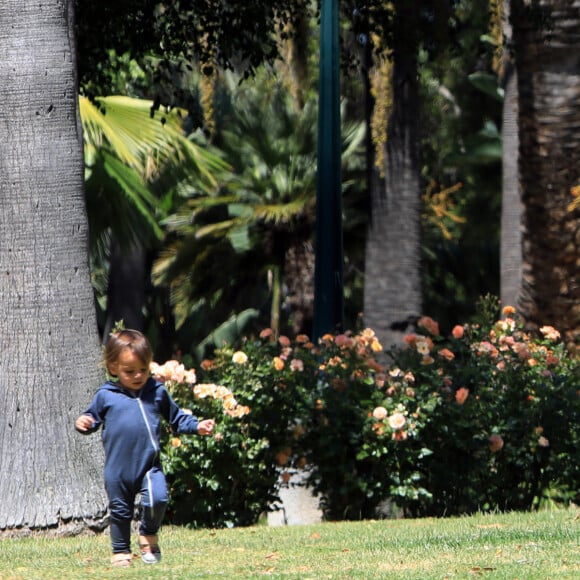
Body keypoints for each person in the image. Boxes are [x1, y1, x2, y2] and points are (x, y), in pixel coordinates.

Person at [75, 329, 215, 567]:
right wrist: (84, 422)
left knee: (158, 498)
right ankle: (120, 551)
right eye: (130, 371)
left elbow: (177, 418)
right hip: (118, 469)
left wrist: (197, 426)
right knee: (120, 512)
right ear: (113, 368)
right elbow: (92, 417)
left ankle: (148, 534)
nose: (138, 375)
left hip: (149, 465)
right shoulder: (106, 395)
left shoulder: (156, 392)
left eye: (143, 369)